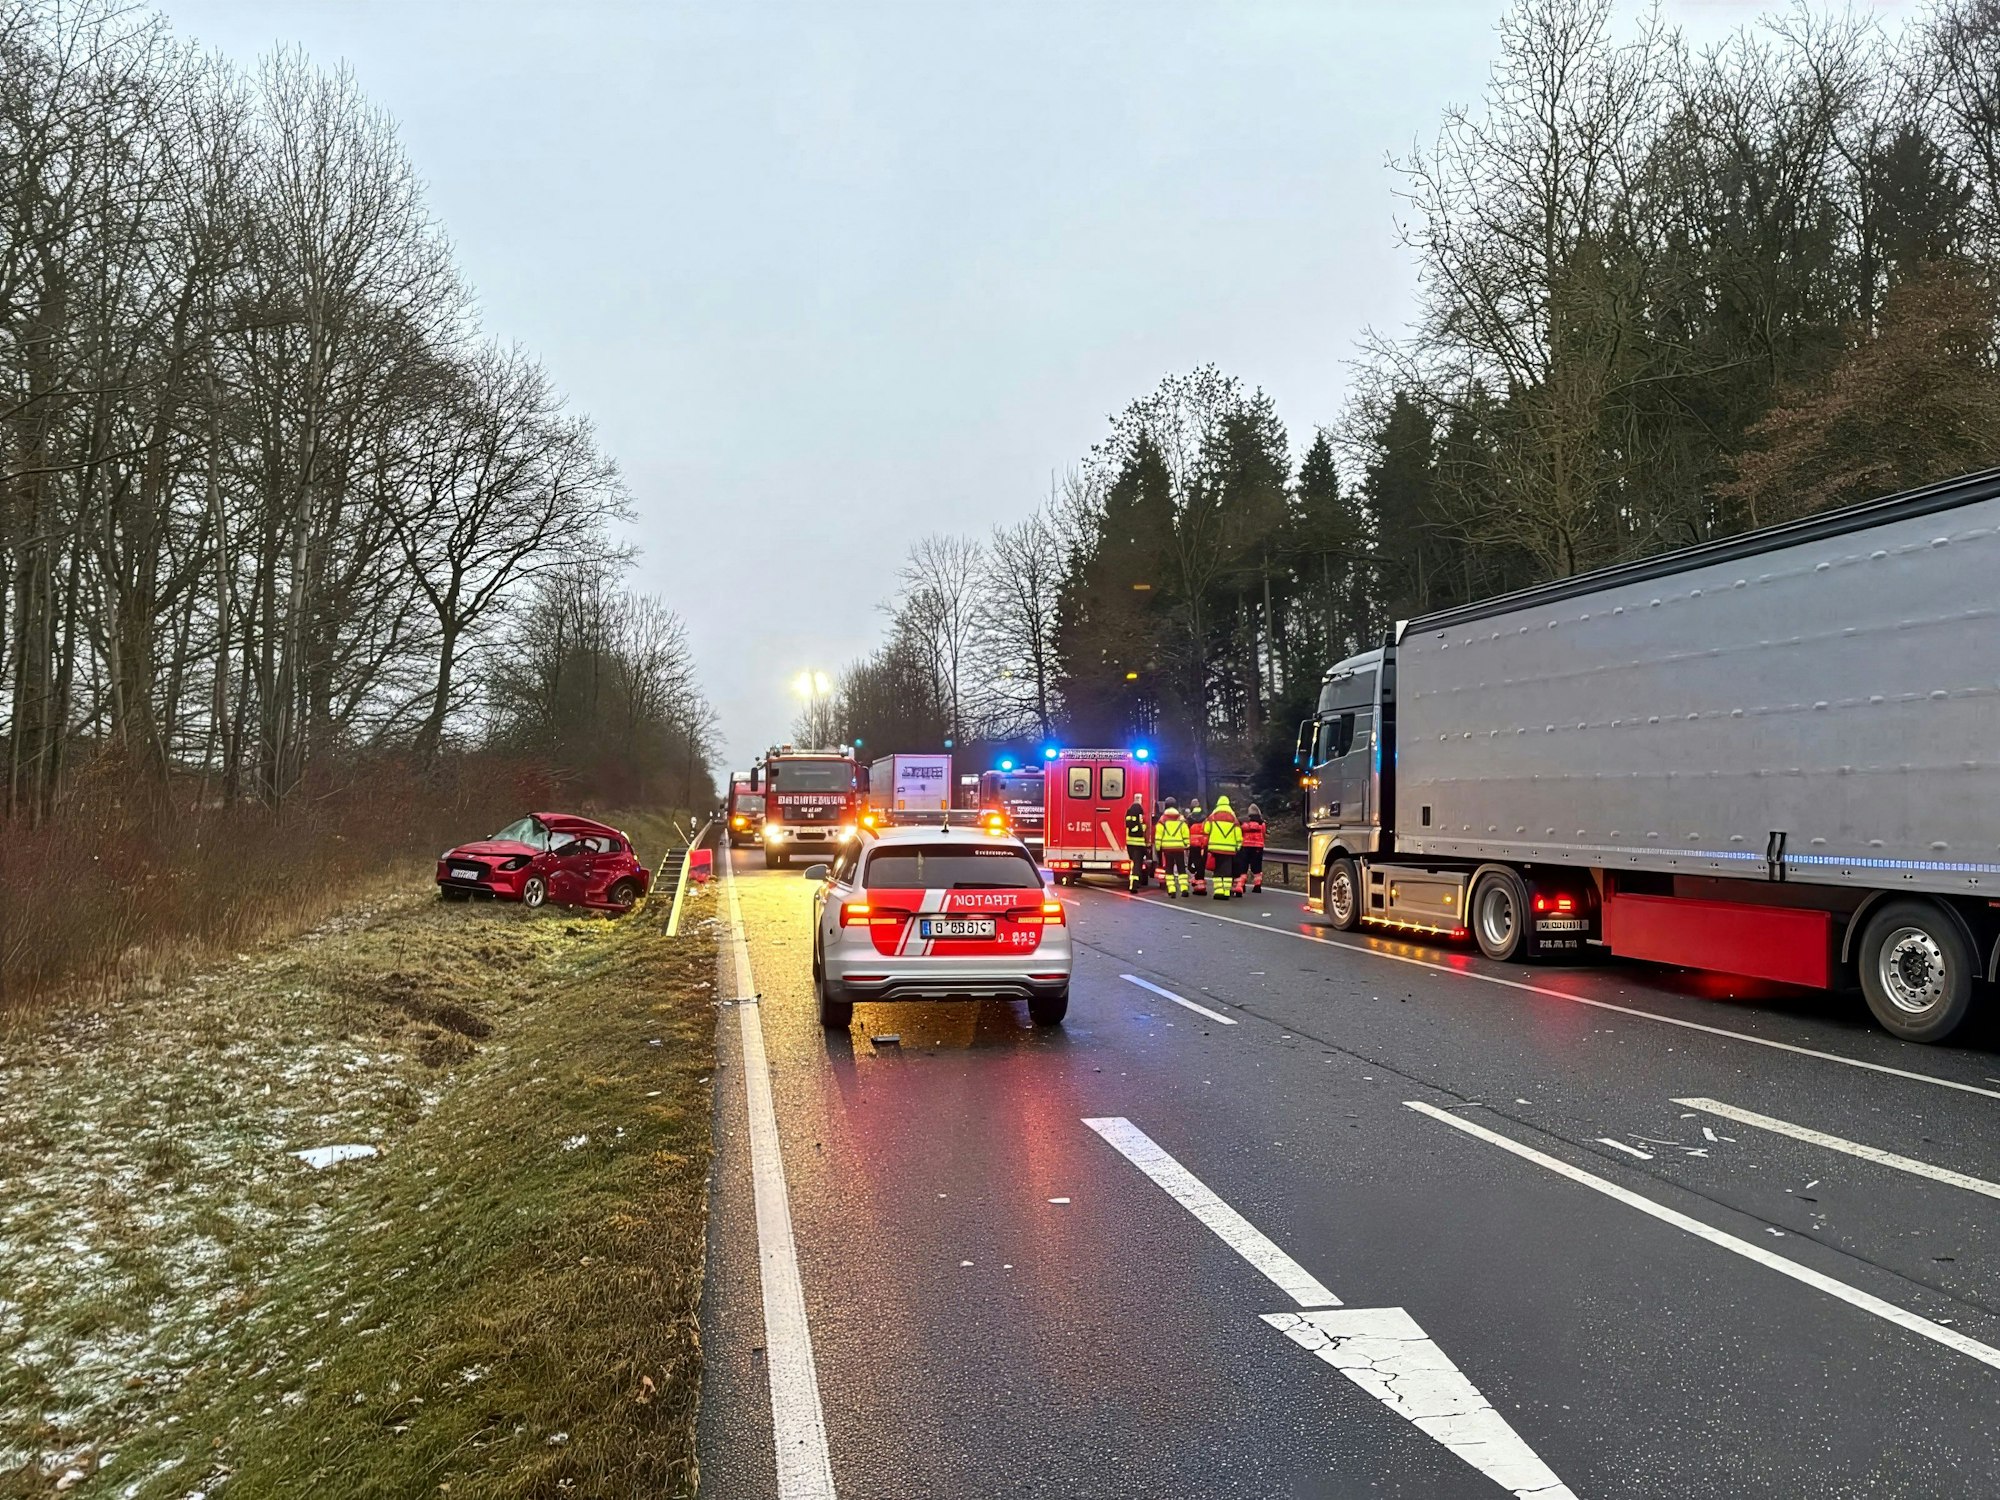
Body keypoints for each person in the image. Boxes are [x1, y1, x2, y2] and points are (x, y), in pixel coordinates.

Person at [1206, 794, 1243, 899]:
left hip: (1216, 848)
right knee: (1227, 871)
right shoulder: (1233, 818)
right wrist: (1238, 846)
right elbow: (1238, 834)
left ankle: (1218, 891)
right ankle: (1227, 892)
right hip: (1229, 849)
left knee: (1217, 870)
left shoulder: (1213, 816)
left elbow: (1206, 829)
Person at [1152, 797, 1191, 896]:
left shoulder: (1162, 819)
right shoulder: (1181, 818)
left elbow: (1158, 834)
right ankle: (1184, 889)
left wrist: (1158, 847)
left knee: (1169, 868)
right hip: (1179, 847)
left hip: (1167, 848)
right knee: (1181, 868)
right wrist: (1187, 844)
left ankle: (1172, 889)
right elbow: (1185, 832)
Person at [1124, 793, 1151, 891]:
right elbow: (1143, 828)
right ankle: (1134, 884)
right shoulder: (1140, 814)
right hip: (1139, 845)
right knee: (1137, 865)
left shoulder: (1128, 813)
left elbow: (1127, 826)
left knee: (1133, 863)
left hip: (1129, 844)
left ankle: (1133, 883)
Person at [1240, 802, 1267, 894]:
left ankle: (1242, 885)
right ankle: (1257, 886)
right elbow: (1263, 834)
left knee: (1243, 867)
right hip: (1258, 847)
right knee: (1257, 867)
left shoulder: (1245, 824)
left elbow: (1241, 833)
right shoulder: (1262, 824)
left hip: (1246, 846)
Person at [1187, 799, 1208, 895]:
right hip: (1203, 845)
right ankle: (1201, 884)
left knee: (1192, 863)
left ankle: (1195, 880)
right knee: (1201, 865)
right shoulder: (1205, 817)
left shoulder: (1189, 818)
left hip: (1192, 845)